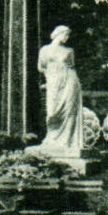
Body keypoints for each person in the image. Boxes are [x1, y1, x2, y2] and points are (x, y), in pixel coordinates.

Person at [31, 25, 85, 158]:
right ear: (57, 34)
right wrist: (50, 78)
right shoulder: (45, 50)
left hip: (70, 82)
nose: (66, 38)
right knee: (52, 112)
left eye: (68, 35)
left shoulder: (69, 51)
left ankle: (66, 141)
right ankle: (52, 139)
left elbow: (71, 67)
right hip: (54, 83)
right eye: (65, 34)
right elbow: (41, 67)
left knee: (69, 110)